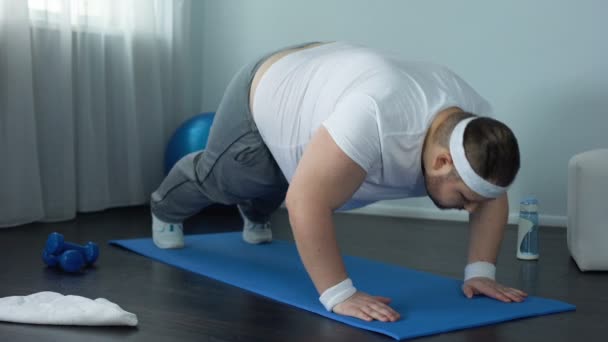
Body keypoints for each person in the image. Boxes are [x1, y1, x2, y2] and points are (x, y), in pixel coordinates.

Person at [150, 41, 527, 323]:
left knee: (287, 177)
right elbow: (305, 201)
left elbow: (490, 196)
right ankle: (164, 206)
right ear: (442, 161)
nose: (474, 208)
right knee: (232, 179)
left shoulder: (478, 138)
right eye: (465, 197)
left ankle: (255, 210)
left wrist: (481, 274)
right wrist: (339, 294)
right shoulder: (376, 119)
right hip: (270, 87)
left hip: (321, 98)